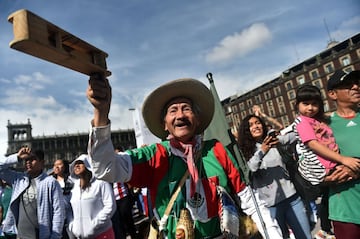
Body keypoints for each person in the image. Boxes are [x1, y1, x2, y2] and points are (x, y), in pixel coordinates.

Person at [86, 77, 282, 238]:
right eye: (173, 110)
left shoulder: (216, 150)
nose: (180, 115)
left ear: (197, 120)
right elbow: (104, 168)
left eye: (186, 108)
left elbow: (249, 199)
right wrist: (101, 112)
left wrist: (273, 235)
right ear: (165, 124)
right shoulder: (156, 155)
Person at [237, 114, 312, 239]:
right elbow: (250, 169)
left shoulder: (274, 141)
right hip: (269, 206)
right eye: (251, 125)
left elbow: (296, 136)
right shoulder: (244, 151)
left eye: (258, 123)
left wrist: (280, 140)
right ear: (246, 131)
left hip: (292, 198)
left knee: (305, 236)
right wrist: (262, 151)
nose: (256, 126)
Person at [294, 84, 360, 186]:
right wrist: (343, 159)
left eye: (314, 104)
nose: (310, 108)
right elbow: (313, 144)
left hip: (331, 163)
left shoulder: (317, 119)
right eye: (305, 104)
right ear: (297, 104)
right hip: (321, 166)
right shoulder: (302, 122)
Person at [0, 147, 65, 239]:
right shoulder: (19, 179)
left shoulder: (50, 183)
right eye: (26, 160)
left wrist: (55, 236)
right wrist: (17, 157)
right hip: (20, 235)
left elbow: (58, 211)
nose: (28, 162)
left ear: (42, 162)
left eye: (33, 159)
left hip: (41, 235)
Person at [325, 69, 360, 239]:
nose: (356, 87)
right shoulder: (322, 127)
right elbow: (307, 167)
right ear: (332, 94)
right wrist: (323, 179)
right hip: (346, 212)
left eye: (357, 83)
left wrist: (355, 168)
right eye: (348, 85)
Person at [68, 154, 116, 239]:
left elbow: (110, 206)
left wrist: (94, 224)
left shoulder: (101, 183)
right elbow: (69, 210)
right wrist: (72, 226)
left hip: (101, 234)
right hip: (81, 237)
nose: (77, 166)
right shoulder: (74, 188)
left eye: (80, 163)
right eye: (75, 164)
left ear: (88, 164)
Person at [50, 159, 74, 239]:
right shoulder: (50, 181)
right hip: (55, 213)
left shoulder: (71, 180)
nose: (56, 167)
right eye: (54, 165)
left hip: (70, 212)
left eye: (59, 164)